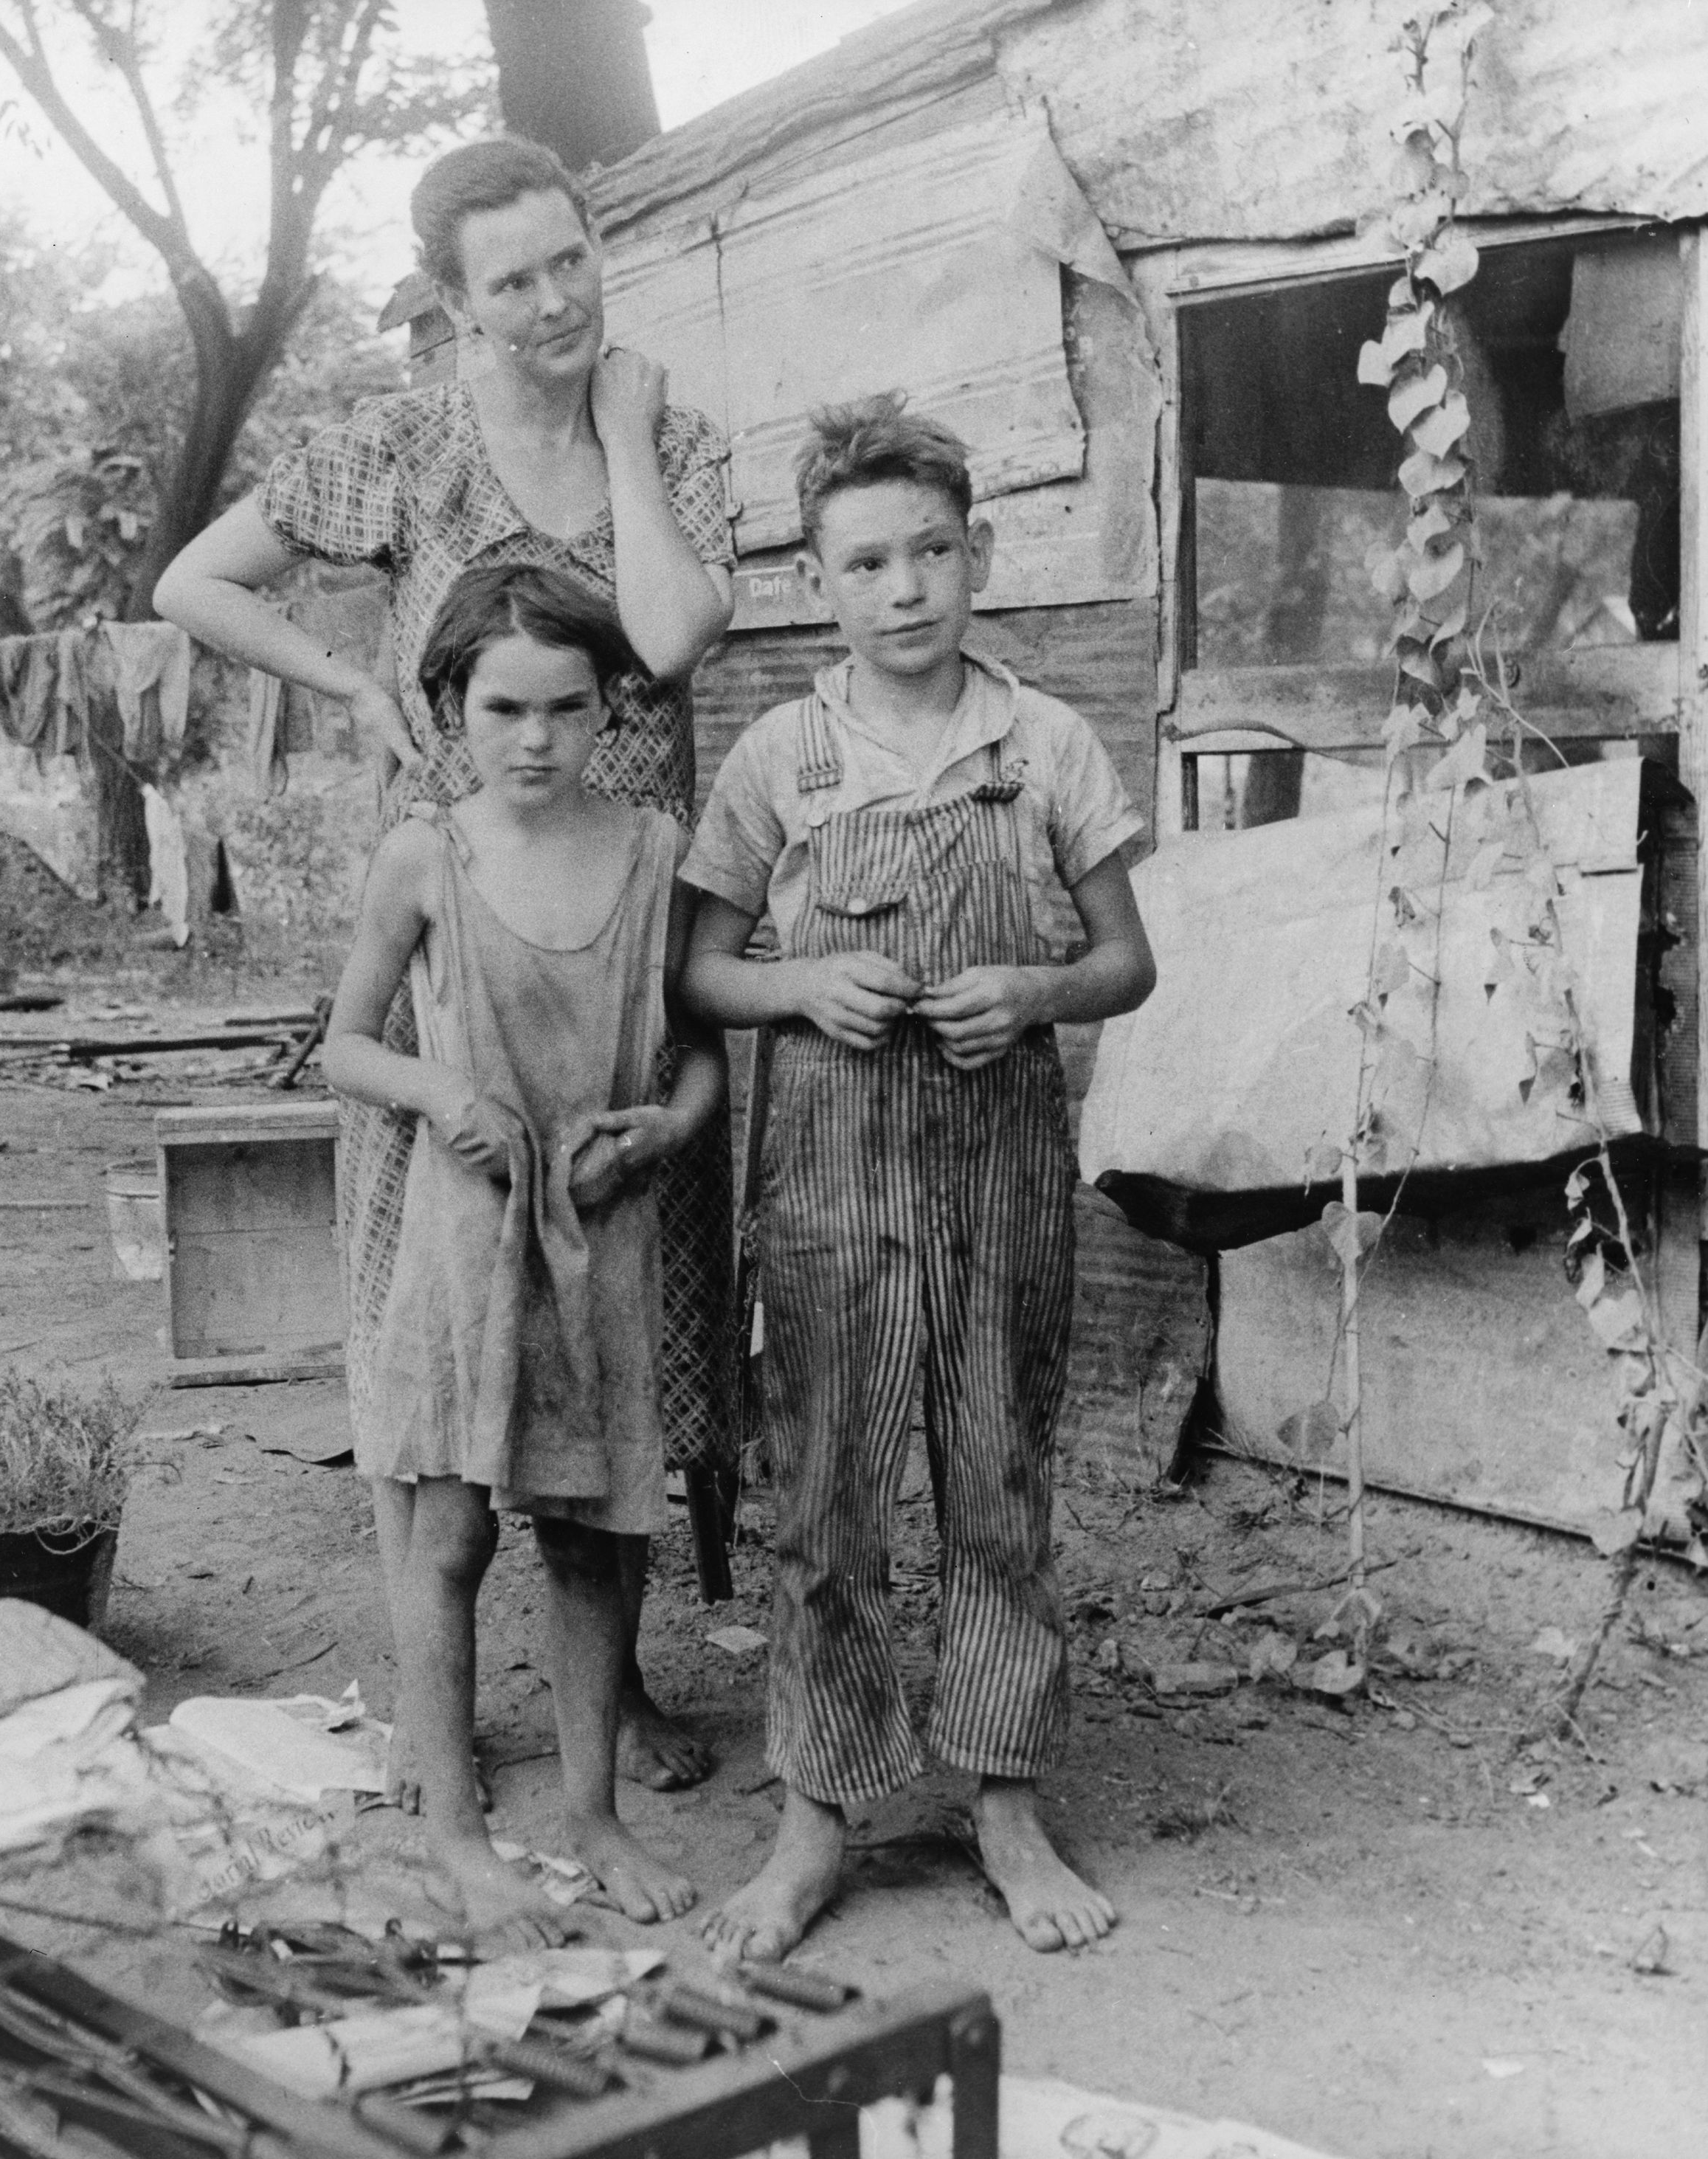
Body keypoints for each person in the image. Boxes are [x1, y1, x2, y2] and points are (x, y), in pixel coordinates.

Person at [154, 134, 736, 1797]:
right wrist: (345, 686)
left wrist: (612, 430)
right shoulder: (400, 447)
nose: (554, 301)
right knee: (448, 1311)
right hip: (460, 938)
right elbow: (190, 579)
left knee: (628, 1310)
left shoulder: (670, 437)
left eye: (571, 260)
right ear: (449, 302)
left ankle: (606, 1699)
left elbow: (676, 636)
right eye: (512, 281)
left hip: (626, 936)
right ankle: (442, 1709)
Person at [680, 394, 1157, 1961]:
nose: (905, 589)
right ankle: (816, 1815)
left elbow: (1122, 962)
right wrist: (799, 984)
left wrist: (1029, 991)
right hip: (823, 1181)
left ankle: (1003, 1796)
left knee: (997, 1478)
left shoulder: (1045, 746)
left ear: (976, 554)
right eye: (867, 560)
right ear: (817, 579)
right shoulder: (779, 757)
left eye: (931, 552)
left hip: (1001, 1169)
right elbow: (699, 971)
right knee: (824, 1495)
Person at [320, 564, 724, 1946]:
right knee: (448, 1526)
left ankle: (592, 1814)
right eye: (503, 708)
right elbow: (346, 1042)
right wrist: (442, 1094)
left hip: (601, 1234)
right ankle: (452, 1829)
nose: (536, 738)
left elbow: (705, 1055)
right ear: (449, 708)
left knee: (596, 1535)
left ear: (610, 706)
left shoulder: (655, 847)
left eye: (566, 707)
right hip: (463, 1236)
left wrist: (662, 1128)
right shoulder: (427, 855)